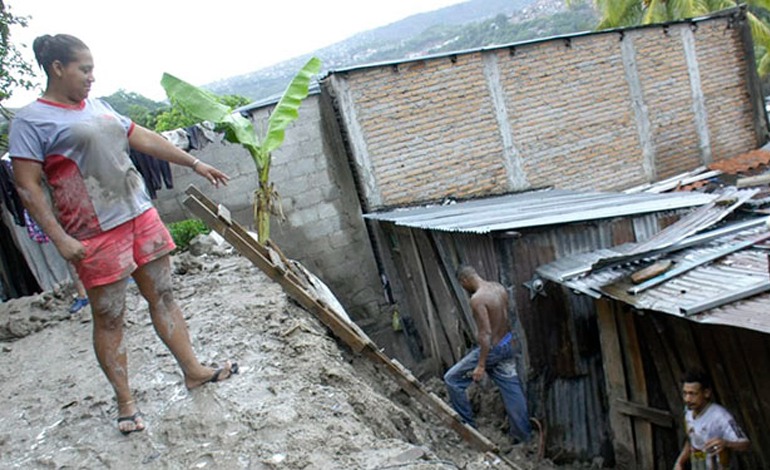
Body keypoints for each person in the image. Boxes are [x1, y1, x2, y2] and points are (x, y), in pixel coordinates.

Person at [9, 34, 238, 435]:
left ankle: (193, 371)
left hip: (138, 214)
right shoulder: (32, 120)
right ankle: (126, 403)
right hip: (93, 232)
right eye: (84, 69)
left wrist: (194, 162)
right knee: (111, 316)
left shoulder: (99, 106)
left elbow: (143, 138)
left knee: (164, 296)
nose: (92, 77)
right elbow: (27, 186)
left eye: (92, 68)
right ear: (57, 68)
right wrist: (61, 239)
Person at [444, 265, 531, 443]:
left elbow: (486, 334)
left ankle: (469, 431)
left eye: (462, 285)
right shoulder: (498, 287)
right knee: (511, 389)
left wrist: (481, 364)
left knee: (452, 379)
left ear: (464, 281)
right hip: (508, 343)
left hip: (493, 349)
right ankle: (524, 437)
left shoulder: (477, 299)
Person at [674, 368, 750, 470]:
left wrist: (726, 443)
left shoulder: (720, 416)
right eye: (685, 393)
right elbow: (692, 440)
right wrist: (680, 462)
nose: (687, 399)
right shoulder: (688, 412)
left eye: (693, 394)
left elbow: (745, 444)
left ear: (706, 393)